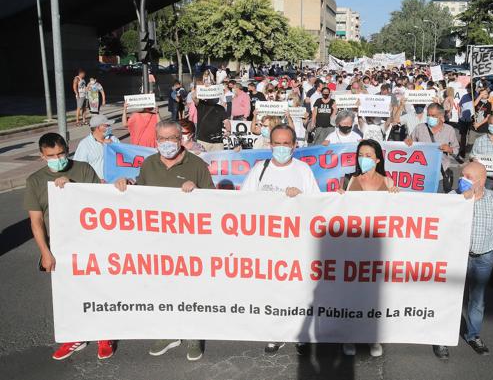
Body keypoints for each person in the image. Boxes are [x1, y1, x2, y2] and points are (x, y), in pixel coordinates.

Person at [114, 120, 215, 361]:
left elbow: (214, 202)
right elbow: (142, 196)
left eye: (172, 138)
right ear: (155, 140)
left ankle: (193, 335)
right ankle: (169, 332)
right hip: (157, 242)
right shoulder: (149, 164)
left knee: (190, 290)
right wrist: (128, 184)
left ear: (181, 139)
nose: (167, 143)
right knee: (162, 289)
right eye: (162, 139)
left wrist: (197, 190)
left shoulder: (197, 165)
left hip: (189, 242)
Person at [24, 133, 113, 361]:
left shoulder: (82, 170)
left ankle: (104, 335)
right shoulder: (35, 180)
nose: (58, 158)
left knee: (97, 288)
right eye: (51, 155)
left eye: (61, 153)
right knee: (68, 294)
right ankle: (76, 336)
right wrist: (45, 252)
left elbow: (99, 201)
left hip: (89, 241)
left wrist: (73, 188)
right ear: (42, 157)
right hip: (59, 246)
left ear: (67, 150)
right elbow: (36, 221)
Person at [240, 124, 319, 354]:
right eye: (278, 143)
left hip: (296, 243)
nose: (282, 148)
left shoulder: (303, 170)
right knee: (271, 291)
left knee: (297, 290)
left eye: (286, 144)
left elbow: (316, 204)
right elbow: (244, 202)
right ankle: (275, 334)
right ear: (270, 145)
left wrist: (300, 198)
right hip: (267, 244)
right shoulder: (259, 169)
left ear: (294, 146)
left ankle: (299, 333)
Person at [433, 161, 493, 360]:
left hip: (484, 257)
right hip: (456, 258)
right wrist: (462, 201)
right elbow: (439, 226)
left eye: (468, 177)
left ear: (482, 181)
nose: (462, 180)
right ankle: (442, 338)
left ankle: (473, 335)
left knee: (477, 300)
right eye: (462, 175)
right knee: (449, 298)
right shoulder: (452, 198)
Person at [337, 139, 398, 357]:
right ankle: (350, 336)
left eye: (369, 155)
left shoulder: (388, 182)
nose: (364, 158)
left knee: (374, 295)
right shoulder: (349, 180)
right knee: (351, 295)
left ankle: (373, 337)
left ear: (378, 159)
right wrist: (337, 198)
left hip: (377, 250)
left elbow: (399, 213)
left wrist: (397, 196)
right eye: (360, 154)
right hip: (351, 247)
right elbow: (336, 209)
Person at [404, 103, 459, 193]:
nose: (430, 118)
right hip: (421, 174)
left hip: (440, 175)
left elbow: (456, 149)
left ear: (441, 116)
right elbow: (409, 141)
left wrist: (449, 149)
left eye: (433, 116)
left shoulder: (449, 130)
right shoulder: (419, 128)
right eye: (428, 115)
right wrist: (408, 142)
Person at [73, 114, 120, 181]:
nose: (109, 127)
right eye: (106, 125)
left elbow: (123, 157)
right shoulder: (85, 144)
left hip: (115, 182)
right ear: (98, 127)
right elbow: (79, 168)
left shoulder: (113, 139)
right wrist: (96, 180)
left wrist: (113, 146)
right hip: (96, 185)